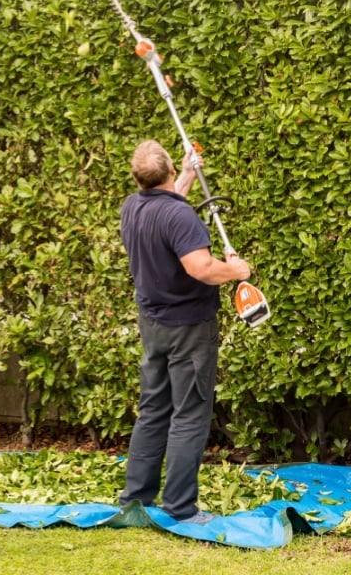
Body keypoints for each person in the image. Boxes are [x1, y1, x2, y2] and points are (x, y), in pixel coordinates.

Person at [118, 139, 252, 525]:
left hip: (153, 326)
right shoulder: (180, 218)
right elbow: (202, 268)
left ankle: (136, 499)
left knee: (154, 410)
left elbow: (166, 209)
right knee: (190, 414)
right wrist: (237, 272)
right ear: (168, 171)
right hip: (188, 329)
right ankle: (179, 507)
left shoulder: (133, 207)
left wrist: (189, 175)